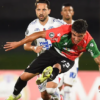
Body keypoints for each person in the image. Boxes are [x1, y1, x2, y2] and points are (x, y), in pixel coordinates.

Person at [4, 19, 100, 100]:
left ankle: (50, 76)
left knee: (53, 79)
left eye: (80, 36)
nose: (76, 38)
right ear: (71, 30)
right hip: (53, 52)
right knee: (23, 77)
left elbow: (99, 61)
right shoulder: (63, 31)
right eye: (74, 34)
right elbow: (39, 34)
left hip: (68, 59)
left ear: (85, 34)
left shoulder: (89, 42)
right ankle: (15, 95)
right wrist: (19, 43)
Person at [57, 3, 80, 100]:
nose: (67, 12)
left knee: (67, 89)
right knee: (56, 89)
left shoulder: (78, 27)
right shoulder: (57, 25)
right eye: (65, 10)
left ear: (73, 12)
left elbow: (83, 45)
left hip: (72, 62)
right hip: (58, 61)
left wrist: (75, 56)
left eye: (70, 10)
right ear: (61, 13)